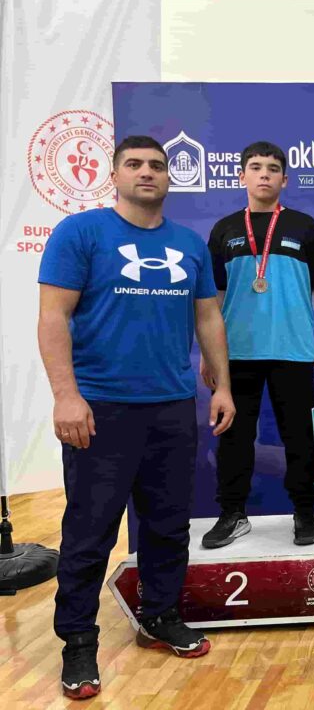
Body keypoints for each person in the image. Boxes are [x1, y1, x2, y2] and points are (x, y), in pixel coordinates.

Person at [38, 135, 235, 700]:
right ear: (115, 174)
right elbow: (52, 317)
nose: (146, 172)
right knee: (89, 532)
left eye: (156, 165)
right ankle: (79, 642)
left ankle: (160, 616)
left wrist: (222, 385)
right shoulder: (80, 233)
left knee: (168, 525)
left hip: (171, 406)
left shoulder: (188, 243)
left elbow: (208, 318)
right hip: (100, 409)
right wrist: (66, 396)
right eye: (134, 164)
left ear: (170, 177)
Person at [200, 141, 314, 549]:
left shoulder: (304, 226)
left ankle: (304, 512)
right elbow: (212, 298)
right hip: (236, 353)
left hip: (292, 350)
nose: (264, 174)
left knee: (299, 438)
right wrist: (210, 353)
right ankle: (232, 513)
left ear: (285, 179)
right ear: (241, 176)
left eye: (273, 168)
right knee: (233, 437)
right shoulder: (225, 230)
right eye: (256, 167)